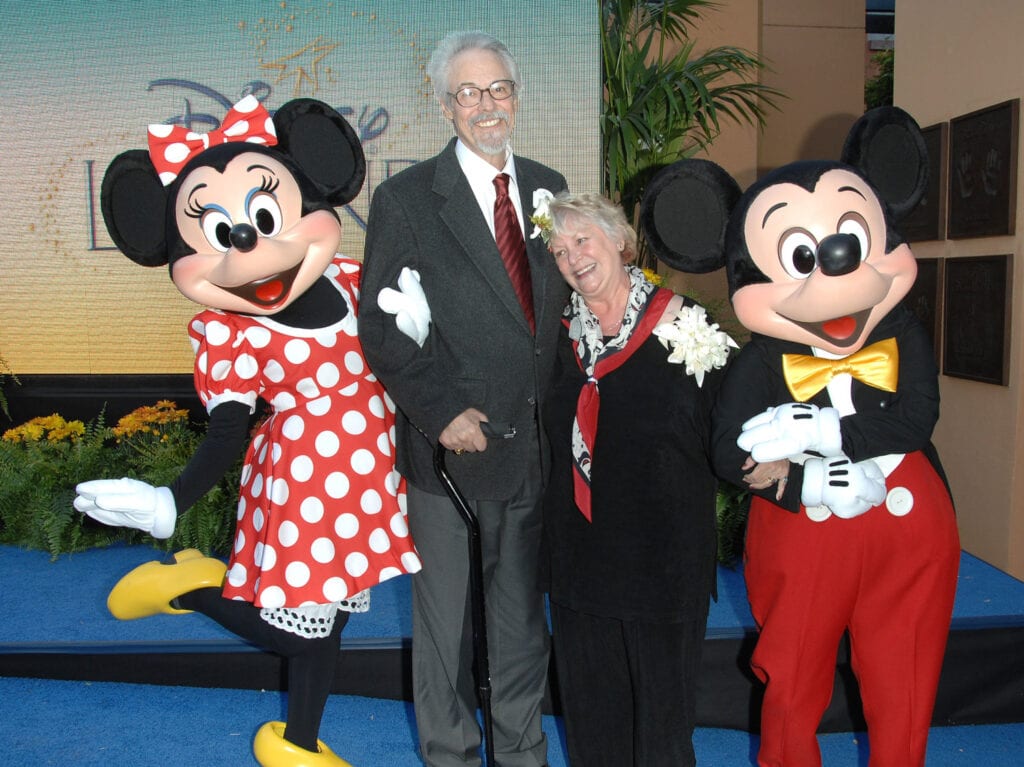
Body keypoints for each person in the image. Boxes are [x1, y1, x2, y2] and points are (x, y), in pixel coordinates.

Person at [74, 97, 422, 767]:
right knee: (297, 630)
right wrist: (169, 501)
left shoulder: (351, 279)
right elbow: (228, 430)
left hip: (368, 480)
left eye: (263, 217)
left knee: (331, 620)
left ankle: (298, 743)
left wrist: (418, 329)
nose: (249, 243)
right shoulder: (232, 331)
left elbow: (392, 360)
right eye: (219, 231)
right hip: (305, 486)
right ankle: (193, 588)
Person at [358, 30, 568, 767]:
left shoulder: (550, 187)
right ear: (446, 106)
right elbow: (380, 325)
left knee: (520, 626)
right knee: (444, 631)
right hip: (450, 452)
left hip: (534, 446)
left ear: (516, 97)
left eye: (499, 90)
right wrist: (441, 410)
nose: (487, 106)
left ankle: (521, 753)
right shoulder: (407, 199)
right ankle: (448, 754)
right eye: (469, 93)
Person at [539, 192, 735, 767]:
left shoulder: (684, 325)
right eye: (557, 250)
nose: (572, 258)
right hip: (581, 555)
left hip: (662, 560)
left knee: (662, 722)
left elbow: (727, 429)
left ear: (619, 241)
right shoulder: (555, 338)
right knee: (592, 711)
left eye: (582, 241)